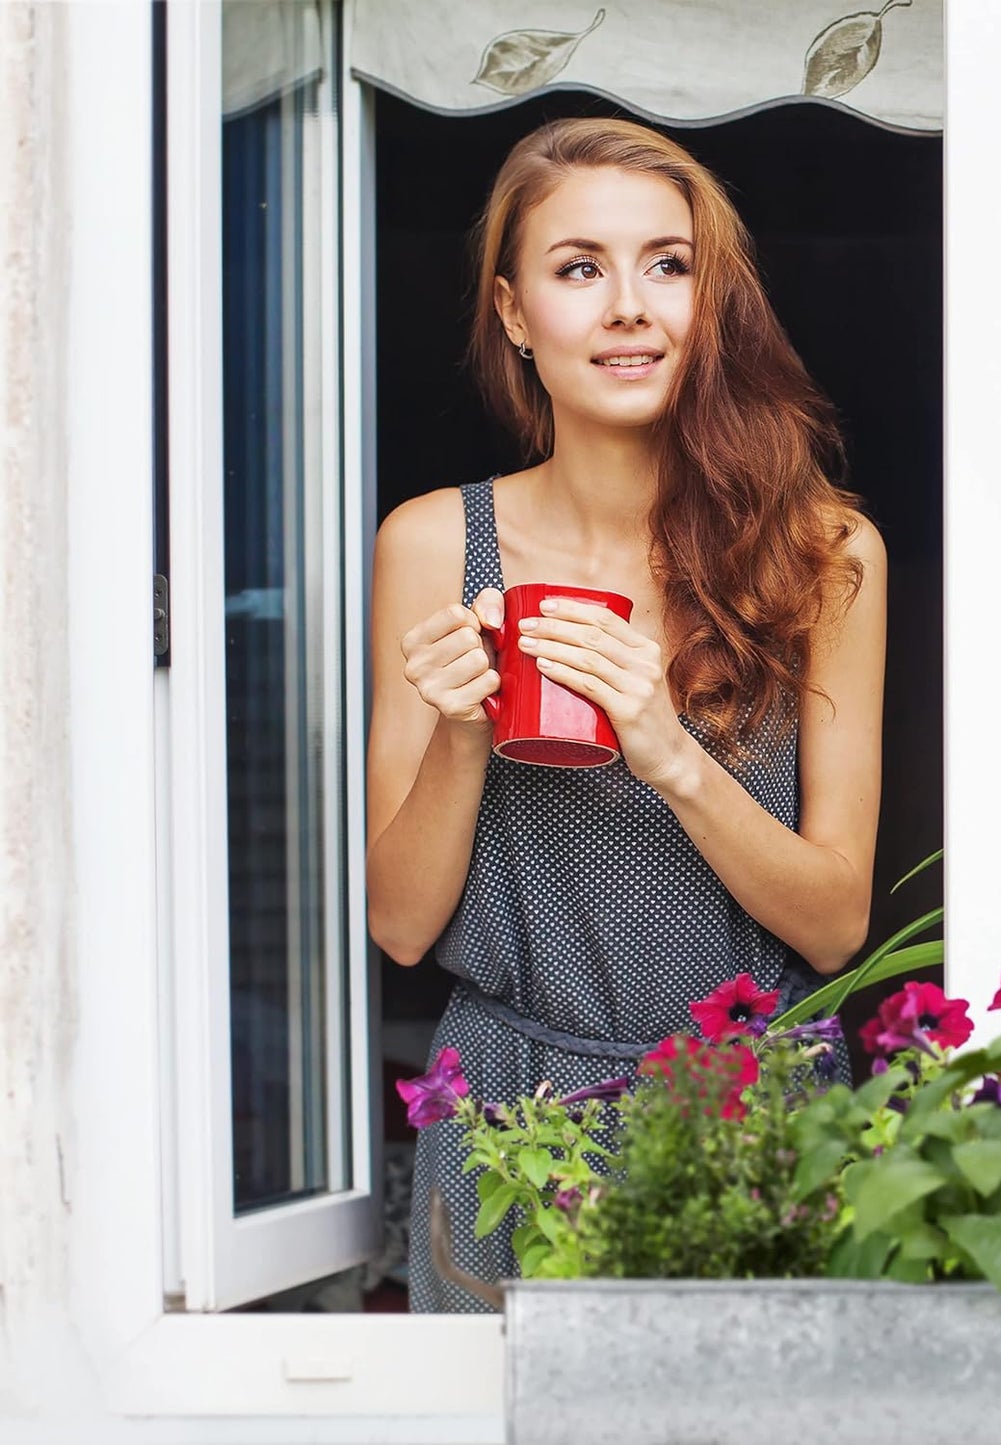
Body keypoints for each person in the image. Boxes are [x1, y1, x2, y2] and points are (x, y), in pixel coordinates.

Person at [365, 117, 887, 1313]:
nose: (627, 308)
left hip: (751, 1112)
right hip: (510, 1106)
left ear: (711, 302)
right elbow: (399, 925)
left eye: (667, 263)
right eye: (577, 268)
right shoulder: (437, 542)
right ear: (511, 311)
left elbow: (832, 924)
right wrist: (460, 728)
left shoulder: (822, 553)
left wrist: (666, 749)